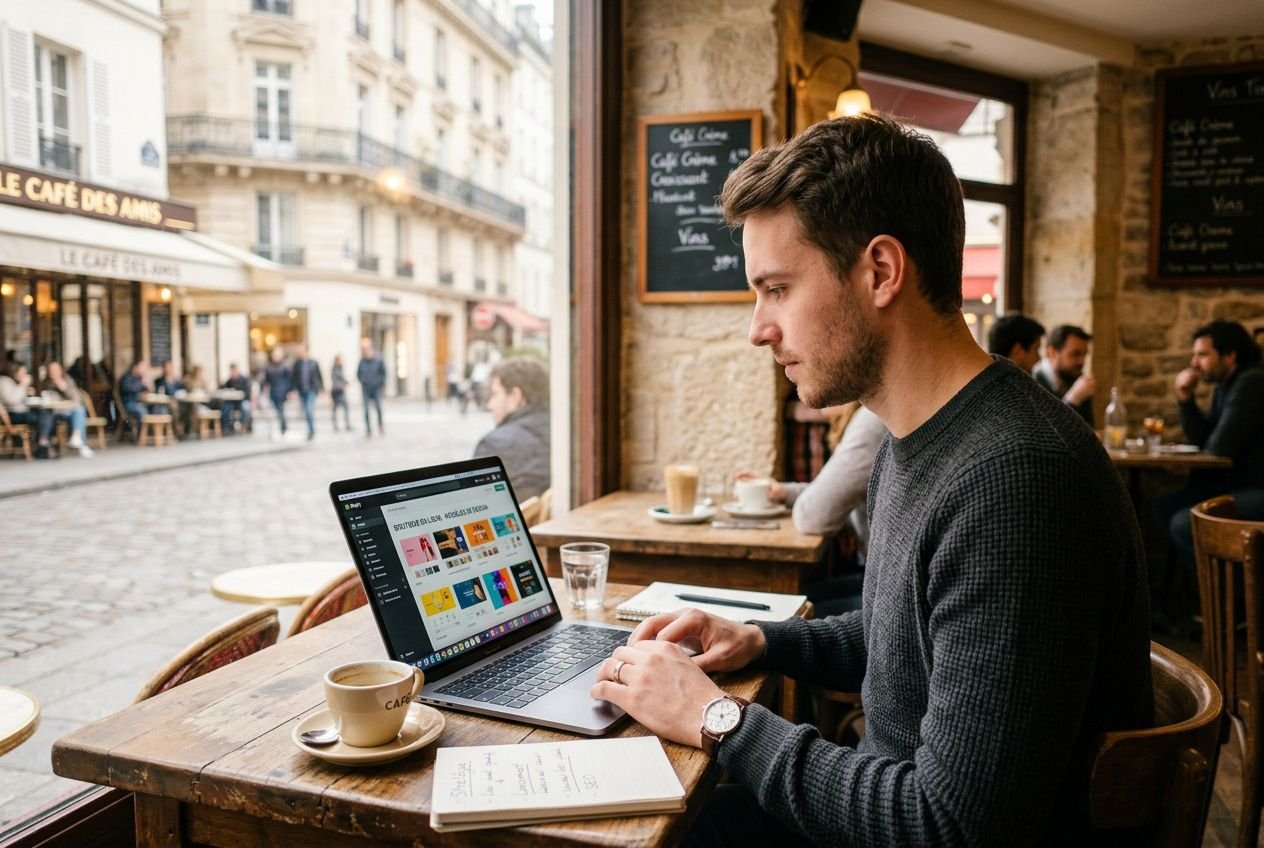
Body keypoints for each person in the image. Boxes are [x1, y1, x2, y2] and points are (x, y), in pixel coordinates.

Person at [590, 115, 1152, 845]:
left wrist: (715, 716)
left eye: (778, 288)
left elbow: (950, 826)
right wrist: (760, 641)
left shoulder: (1017, 482)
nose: (757, 328)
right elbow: (908, 639)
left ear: (882, 272)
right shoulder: (911, 436)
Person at [1159, 319, 1264, 575]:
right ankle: (1214, 597)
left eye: (1202, 355)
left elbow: (1218, 447)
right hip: (1237, 484)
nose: (1194, 363)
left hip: (1257, 487)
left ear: (1229, 356)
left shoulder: (1252, 382)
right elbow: (1203, 438)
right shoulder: (1225, 385)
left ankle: (1239, 600)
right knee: (1164, 508)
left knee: (1183, 523)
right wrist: (1185, 399)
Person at [472, 357, 550, 500]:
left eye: (495, 394)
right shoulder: (564, 431)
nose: (490, 404)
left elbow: (478, 506)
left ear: (515, 396)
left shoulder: (494, 445)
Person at [1032, 324, 1096, 425]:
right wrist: (1073, 399)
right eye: (1075, 354)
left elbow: (1088, 427)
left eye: (1085, 355)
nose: (1082, 361)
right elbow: (1044, 430)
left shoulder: (1075, 377)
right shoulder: (1032, 380)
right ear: (1052, 353)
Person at [41, 360, 94, 457]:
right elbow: (46, 399)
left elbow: (76, 398)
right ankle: (82, 444)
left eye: (56, 369)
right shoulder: (45, 383)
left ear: (61, 370)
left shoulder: (68, 380)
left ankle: (77, 437)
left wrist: (64, 388)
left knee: (79, 410)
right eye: (51, 370)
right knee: (78, 412)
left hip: (67, 411)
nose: (54, 372)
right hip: (53, 412)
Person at [0, 363, 54, 456]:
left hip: (22, 412)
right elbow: (12, 400)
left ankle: (42, 442)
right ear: (14, 373)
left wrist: (27, 392)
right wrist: (23, 385)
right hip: (12, 414)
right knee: (45, 417)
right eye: (23, 372)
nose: (25, 375)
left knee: (46, 414)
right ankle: (42, 443)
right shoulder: (4, 382)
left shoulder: (14, 383)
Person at [291, 345, 324, 440]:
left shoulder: (314, 363)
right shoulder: (297, 364)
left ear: (306, 351)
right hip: (302, 390)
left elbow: (319, 375)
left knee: (309, 410)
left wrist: (321, 388)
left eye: (301, 351)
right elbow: (294, 378)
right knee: (306, 411)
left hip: (312, 390)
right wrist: (293, 390)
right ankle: (310, 429)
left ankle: (311, 430)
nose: (299, 353)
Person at [357, 338, 386, 437]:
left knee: (378, 408)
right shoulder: (362, 361)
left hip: (376, 387)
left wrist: (381, 383)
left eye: (364, 348)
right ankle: (368, 429)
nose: (363, 350)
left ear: (370, 347)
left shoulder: (378, 358)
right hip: (366, 388)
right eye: (362, 348)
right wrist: (362, 381)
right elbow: (358, 373)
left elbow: (384, 372)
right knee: (366, 410)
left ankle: (380, 424)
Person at [261, 348, 292, 436]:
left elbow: (289, 380)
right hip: (273, 391)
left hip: (282, 391)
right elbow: (266, 380)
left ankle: (283, 427)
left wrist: (290, 391)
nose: (276, 357)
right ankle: (284, 424)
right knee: (278, 410)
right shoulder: (269, 367)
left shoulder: (285, 366)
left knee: (280, 409)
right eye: (274, 356)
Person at [118, 361, 149, 436]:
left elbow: (146, 389)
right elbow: (129, 389)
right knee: (142, 411)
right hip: (128, 404)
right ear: (135, 367)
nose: (143, 370)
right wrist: (142, 383)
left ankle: (148, 434)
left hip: (138, 403)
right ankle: (140, 435)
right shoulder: (126, 378)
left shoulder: (138, 378)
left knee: (154, 409)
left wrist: (146, 383)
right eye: (141, 368)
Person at [220, 363, 252, 434]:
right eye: (231, 371)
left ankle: (244, 425)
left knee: (246, 407)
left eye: (234, 370)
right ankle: (227, 426)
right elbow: (225, 390)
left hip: (242, 401)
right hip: (232, 402)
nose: (233, 372)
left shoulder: (244, 380)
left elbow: (248, 392)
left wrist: (240, 394)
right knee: (225, 407)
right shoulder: (229, 381)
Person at [330, 355, 351, 431]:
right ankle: (342, 425)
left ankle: (341, 425)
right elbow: (340, 377)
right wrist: (346, 382)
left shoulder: (337, 368)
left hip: (337, 390)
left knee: (337, 408)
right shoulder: (335, 368)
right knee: (341, 408)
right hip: (337, 391)